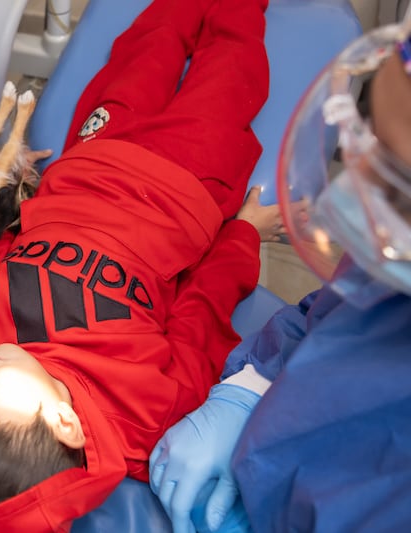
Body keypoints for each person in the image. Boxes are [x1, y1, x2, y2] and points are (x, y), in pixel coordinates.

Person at [0, 0, 269, 529]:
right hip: (184, 184)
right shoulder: (149, 412)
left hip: (88, 162)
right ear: (64, 423)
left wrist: (13, 187)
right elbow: (204, 312)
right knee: (234, 63)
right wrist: (245, 233)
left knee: (148, 44)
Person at [148, 20, 411, 533]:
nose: (344, 203)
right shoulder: (392, 255)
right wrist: (250, 383)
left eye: (397, 187)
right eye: (371, 146)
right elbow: (332, 311)